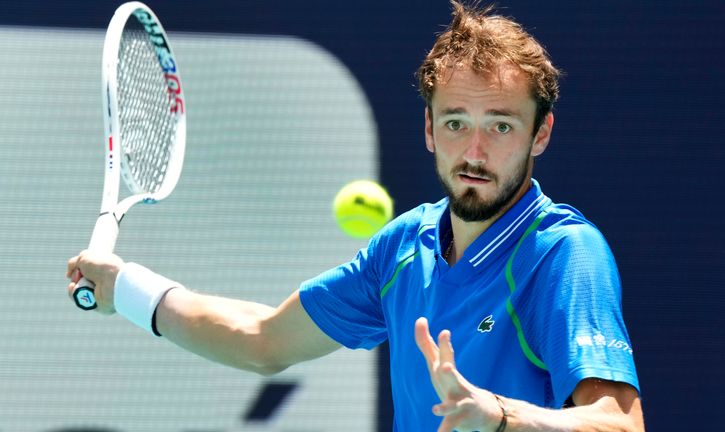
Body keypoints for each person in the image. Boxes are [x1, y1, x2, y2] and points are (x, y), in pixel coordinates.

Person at [67, 1, 644, 430]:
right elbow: (264, 339)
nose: (474, 152)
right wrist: (128, 290)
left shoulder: (565, 254)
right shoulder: (402, 249)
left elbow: (621, 424)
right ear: (428, 130)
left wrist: (499, 415)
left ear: (540, 133)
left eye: (499, 125)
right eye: (454, 123)